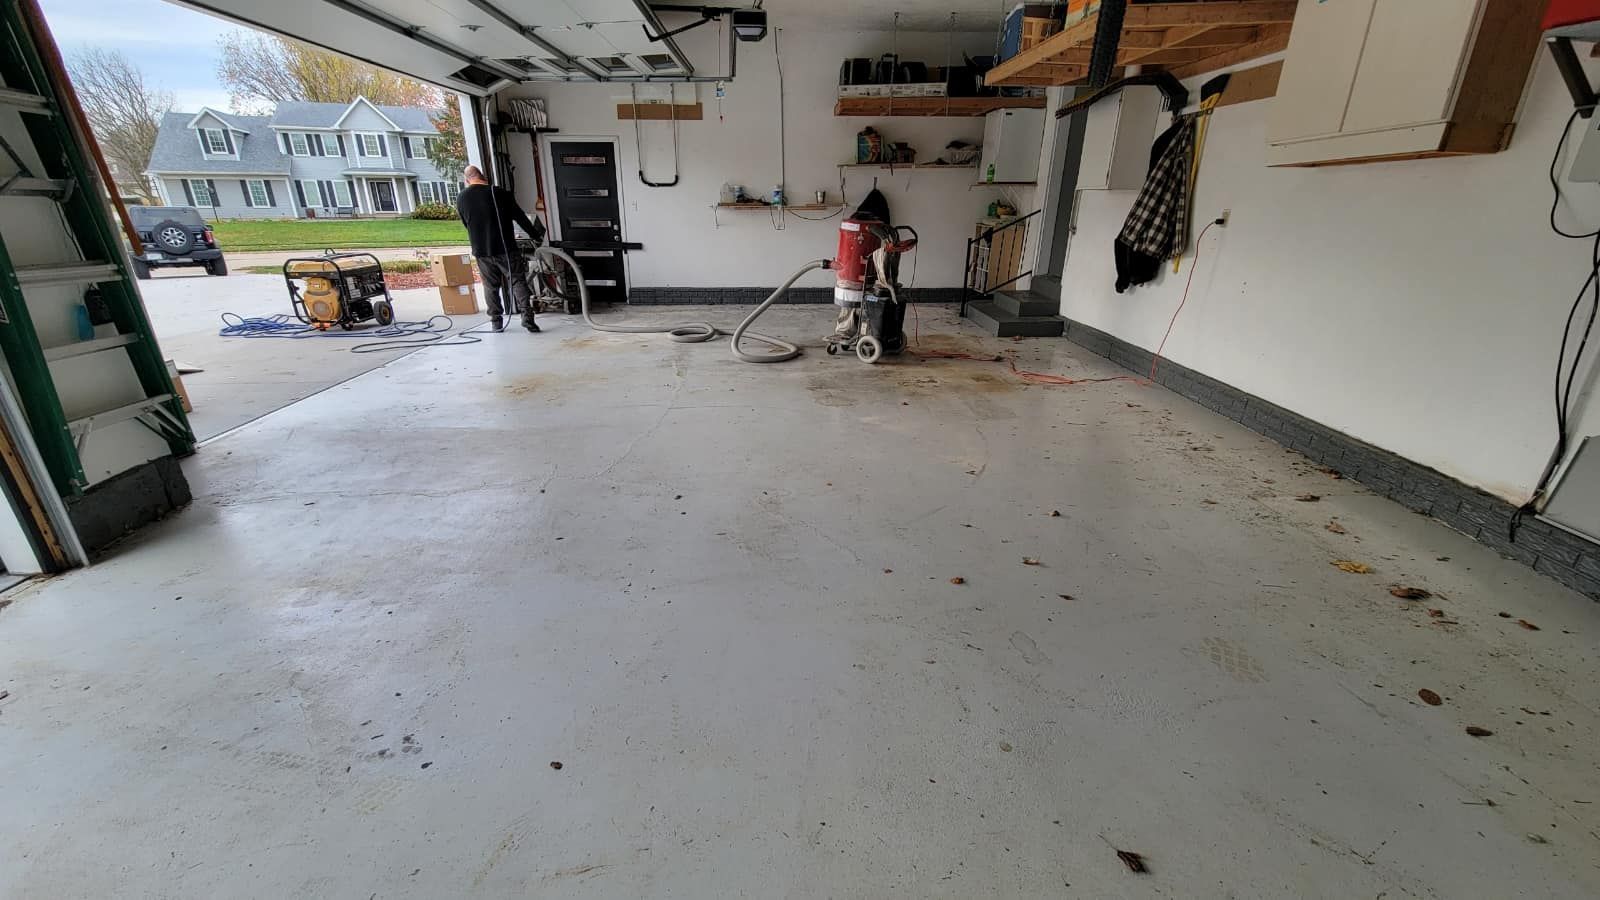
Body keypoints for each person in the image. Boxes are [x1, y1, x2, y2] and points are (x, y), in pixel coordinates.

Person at [455, 165, 546, 333]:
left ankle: (496, 323)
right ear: (483, 176)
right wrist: (535, 235)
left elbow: (465, 223)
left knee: (490, 287)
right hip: (506, 249)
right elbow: (520, 218)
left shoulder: (462, 198)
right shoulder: (499, 193)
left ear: (467, 180)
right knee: (518, 281)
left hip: (482, 251)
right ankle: (527, 319)